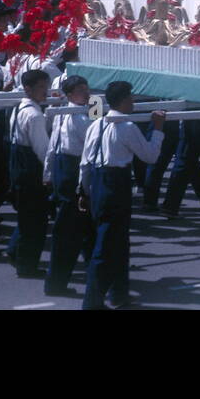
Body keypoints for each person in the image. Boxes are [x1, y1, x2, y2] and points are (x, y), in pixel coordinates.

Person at [78, 81, 165, 309]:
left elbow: (85, 164)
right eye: (131, 98)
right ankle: (92, 303)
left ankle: (119, 294)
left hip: (97, 185)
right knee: (106, 248)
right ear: (125, 100)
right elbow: (150, 156)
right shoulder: (126, 126)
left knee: (118, 243)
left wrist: (84, 191)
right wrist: (157, 129)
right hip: (115, 186)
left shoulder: (96, 125)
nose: (133, 102)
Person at [43, 75, 94, 297]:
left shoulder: (66, 113)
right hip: (73, 171)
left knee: (87, 229)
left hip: (65, 170)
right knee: (68, 232)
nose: (86, 93)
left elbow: (52, 146)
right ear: (71, 94)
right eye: (81, 90)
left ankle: (97, 274)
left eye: (87, 88)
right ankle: (56, 283)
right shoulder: (78, 118)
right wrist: (84, 187)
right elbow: (88, 153)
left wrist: (48, 171)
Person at [9, 68, 52, 278]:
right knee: (35, 222)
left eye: (47, 86)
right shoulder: (35, 115)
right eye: (41, 87)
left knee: (26, 217)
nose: (46, 91)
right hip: (31, 171)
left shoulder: (19, 109)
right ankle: (27, 265)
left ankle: (14, 252)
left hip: (18, 167)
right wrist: (49, 175)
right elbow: (43, 150)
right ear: (28, 89)